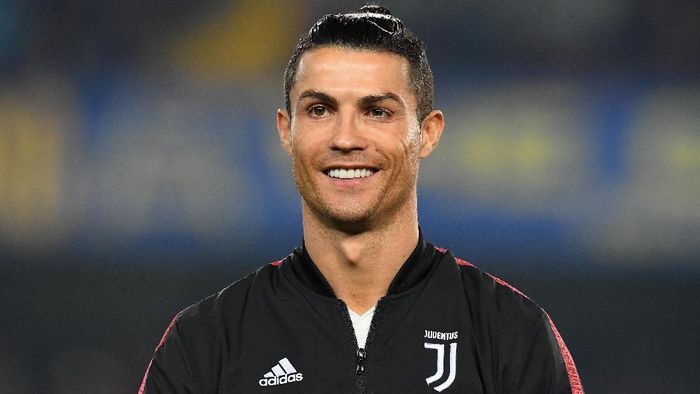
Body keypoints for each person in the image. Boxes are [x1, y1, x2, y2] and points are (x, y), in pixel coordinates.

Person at [140, 5, 583, 393]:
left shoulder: (509, 332)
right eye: (319, 110)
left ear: (427, 133)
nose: (346, 138)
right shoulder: (206, 342)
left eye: (377, 112)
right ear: (285, 131)